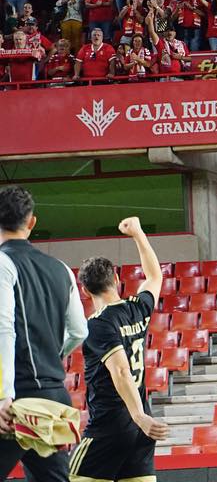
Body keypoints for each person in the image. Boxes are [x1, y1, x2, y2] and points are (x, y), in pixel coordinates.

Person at [70, 218, 169, 482]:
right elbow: (154, 276)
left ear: (84, 290)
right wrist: (138, 233)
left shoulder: (98, 324)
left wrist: (138, 416)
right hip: (139, 431)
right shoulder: (137, 308)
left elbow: (122, 371)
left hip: (110, 425)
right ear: (116, 278)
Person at [0, 186, 88, 482]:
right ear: (32, 222)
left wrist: (4, 396)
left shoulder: (2, 264)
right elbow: (79, 331)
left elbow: (4, 329)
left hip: (15, 401)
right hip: (53, 398)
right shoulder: (62, 269)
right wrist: (51, 353)